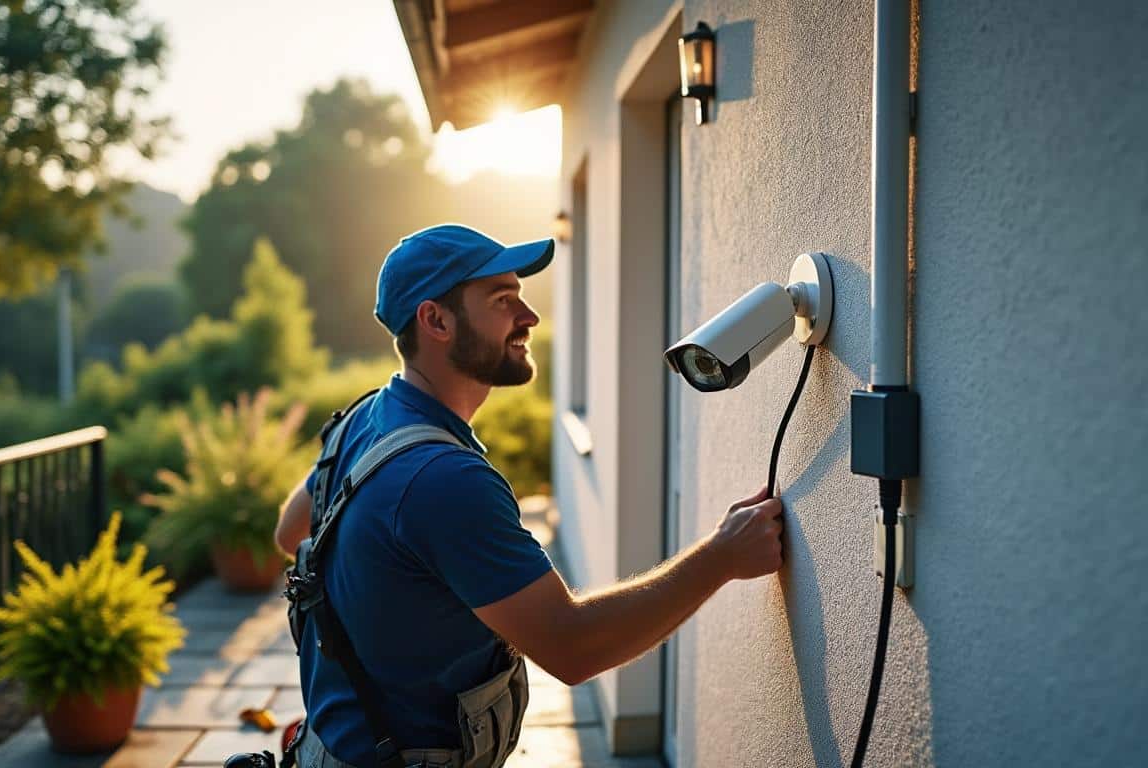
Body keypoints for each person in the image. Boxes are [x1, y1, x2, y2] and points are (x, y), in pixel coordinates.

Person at [274, 224, 784, 768]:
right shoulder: (443, 479)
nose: (530, 317)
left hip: (330, 746)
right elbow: (573, 647)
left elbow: (291, 532)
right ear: (436, 320)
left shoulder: (367, 416)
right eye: (502, 299)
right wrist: (721, 558)